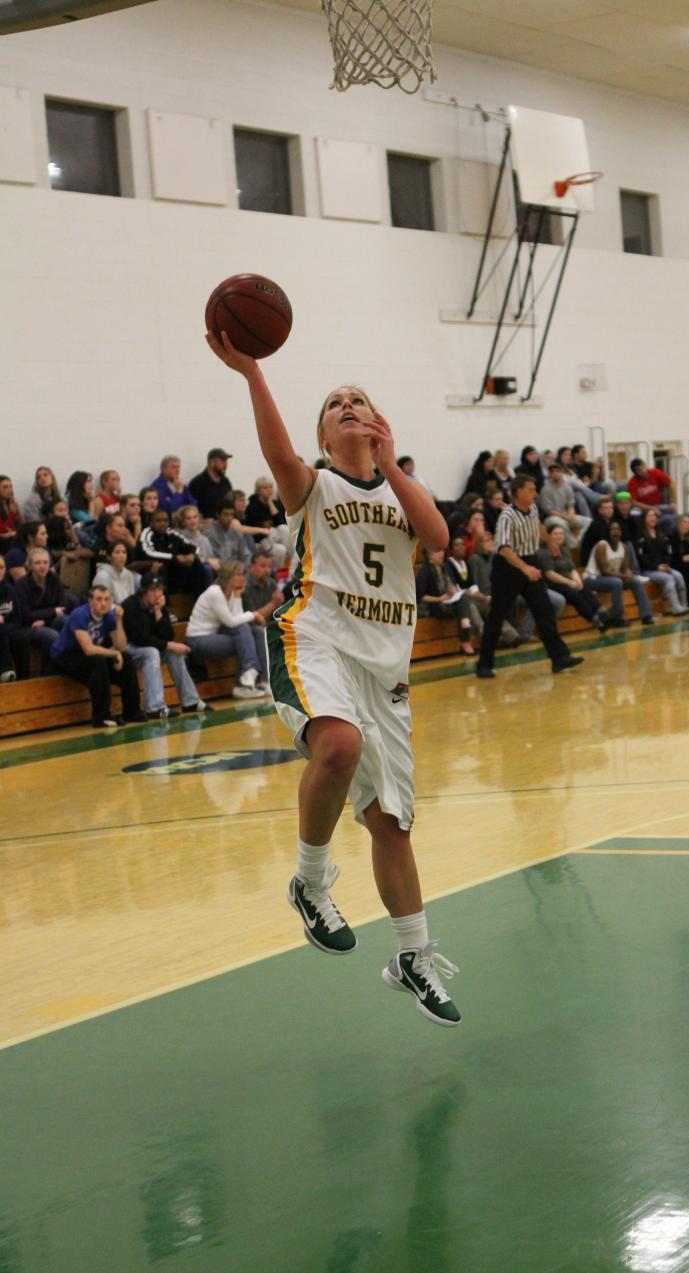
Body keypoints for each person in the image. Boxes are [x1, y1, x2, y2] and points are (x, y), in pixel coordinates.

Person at [207, 325, 462, 1026]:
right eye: (334, 403)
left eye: (358, 400)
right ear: (323, 437)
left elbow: (437, 539)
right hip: (314, 638)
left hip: (386, 671)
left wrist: (391, 458)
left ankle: (413, 953)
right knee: (338, 747)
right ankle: (311, 882)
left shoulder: (401, 494)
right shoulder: (312, 484)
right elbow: (276, 452)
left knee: (391, 822)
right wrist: (253, 373)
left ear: (377, 422)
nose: (347, 406)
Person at [476, 473, 582, 678]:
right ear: (518, 492)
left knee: (544, 610)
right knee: (497, 616)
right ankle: (484, 664)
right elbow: (504, 549)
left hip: (529, 561)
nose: (535, 492)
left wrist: (550, 541)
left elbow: (538, 526)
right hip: (508, 567)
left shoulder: (532, 508)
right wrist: (524, 569)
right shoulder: (507, 516)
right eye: (531, 489)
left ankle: (559, 658)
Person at [49, 585, 144, 728]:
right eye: (99, 599)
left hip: (88, 658)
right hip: (64, 657)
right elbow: (88, 649)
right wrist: (115, 653)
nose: (103, 603)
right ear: (90, 601)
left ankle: (132, 711)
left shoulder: (109, 616)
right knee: (98, 662)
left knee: (127, 660)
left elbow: (121, 646)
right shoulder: (80, 614)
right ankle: (101, 716)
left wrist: (118, 621)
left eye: (107, 599)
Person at [122, 573, 208, 719]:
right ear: (143, 591)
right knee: (152, 652)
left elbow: (169, 636)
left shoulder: (159, 605)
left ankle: (190, 701)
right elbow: (140, 639)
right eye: (153, 590)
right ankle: (154, 707)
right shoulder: (130, 606)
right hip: (126, 648)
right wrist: (169, 645)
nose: (157, 594)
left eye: (160, 590)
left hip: (147, 646)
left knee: (173, 652)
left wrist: (158, 612)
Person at [185, 560, 269, 698]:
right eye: (238, 575)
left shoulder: (231, 593)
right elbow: (231, 622)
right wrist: (253, 614)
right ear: (227, 577)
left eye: (242, 574)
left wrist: (237, 596)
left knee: (257, 632)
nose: (242, 578)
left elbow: (237, 618)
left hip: (217, 635)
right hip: (198, 639)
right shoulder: (215, 592)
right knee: (244, 633)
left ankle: (263, 680)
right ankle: (244, 679)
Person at [14, 546, 77, 668]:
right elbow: (26, 614)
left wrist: (45, 617)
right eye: (37, 563)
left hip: (47, 620)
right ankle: (49, 673)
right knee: (52, 636)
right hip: (29, 626)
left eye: (45, 562)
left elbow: (62, 606)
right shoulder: (21, 585)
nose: (42, 566)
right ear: (30, 566)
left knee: (69, 621)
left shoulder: (54, 579)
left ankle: (72, 666)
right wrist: (52, 611)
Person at [583, 521, 654, 627]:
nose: (616, 532)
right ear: (608, 532)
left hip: (611, 579)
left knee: (635, 581)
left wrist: (628, 573)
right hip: (592, 578)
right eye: (613, 529)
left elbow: (625, 569)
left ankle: (646, 615)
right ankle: (617, 617)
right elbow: (604, 571)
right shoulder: (602, 545)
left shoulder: (623, 546)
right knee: (616, 582)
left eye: (618, 529)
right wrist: (624, 576)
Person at [537, 525, 608, 630]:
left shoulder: (564, 549)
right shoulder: (544, 552)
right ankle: (594, 618)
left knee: (584, 589)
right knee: (574, 595)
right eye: (556, 534)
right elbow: (550, 574)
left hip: (567, 580)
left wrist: (578, 581)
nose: (559, 536)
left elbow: (572, 569)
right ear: (549, 536)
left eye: (561, 533)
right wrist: (569, 582)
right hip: (553, 584)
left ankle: (601, 611)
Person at [416, 546, 477, 654]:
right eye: (438, 552)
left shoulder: (446, 567)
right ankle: (465, 640)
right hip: (430, 606)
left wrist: (453, 590)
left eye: (442, 551)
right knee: (466, 607)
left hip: (446, 603)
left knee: (464, 600)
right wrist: (440, 598)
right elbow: (421, 597)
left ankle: (465, 632)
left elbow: (452, 586)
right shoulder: (425, 571)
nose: (441, 554)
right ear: (430, 556)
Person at [137, 506, 209, 597]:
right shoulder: (146, 534)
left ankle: (199, 599)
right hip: (149, 569)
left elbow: (193, 546)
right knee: (160, 566)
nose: (163, 523)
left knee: (196, 563)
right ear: (151, 522)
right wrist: (175, 557)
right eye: (158, 521)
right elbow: (149, 553)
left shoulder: (171, 532)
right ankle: (165, 607)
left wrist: (192, 555)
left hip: (172, 569)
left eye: (165, 520)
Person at [468, 531, 520, 647]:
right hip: (481, 597)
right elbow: (473, 585)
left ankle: (511, 637)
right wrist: (486, 597)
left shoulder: (495, 557)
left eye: (491, 540)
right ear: (479, 544)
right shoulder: (474, 559)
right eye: (486, 541)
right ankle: (509, 636)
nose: (490, 543)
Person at [634, 508, 689, 615]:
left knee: (679, 576)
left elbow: (668, 552)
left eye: (654, 515)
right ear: (644, 519)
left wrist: (666, 565)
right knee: (669, 578)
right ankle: (675, 607)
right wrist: (657, 567)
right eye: (649, 516)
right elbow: (641, 558)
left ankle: (684, 605)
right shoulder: (640, 537)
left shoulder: (661, 533)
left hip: (664, 567)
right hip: (649, 570)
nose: (653, 518)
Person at [538, 462, 591, 545]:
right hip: (550, 518)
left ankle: (580, 542)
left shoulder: (567, 486)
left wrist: (571, 515)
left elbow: (571, 504)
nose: (555, 474)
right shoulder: (545, 489)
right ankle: (574, 546)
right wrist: (566, 517)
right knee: (561, 523)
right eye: (552, 472)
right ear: (550, 474)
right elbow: (549, 511)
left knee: (589, 521)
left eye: (557, 471)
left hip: (565, 515)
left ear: (562, 472)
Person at [627, 458, 676, 532]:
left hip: (660, 506)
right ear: (635, 472)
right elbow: (633, 502)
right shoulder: (632, 482)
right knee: (634, 513)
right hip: (644, 509)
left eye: (643, 467)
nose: (643, 470)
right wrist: (650, 508)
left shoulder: (655, 472)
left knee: (673, 513)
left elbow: (671, 484)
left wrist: (673, 502)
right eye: (639, 470)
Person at [205, 498, 253, 569]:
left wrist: (242, 568)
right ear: (218, 514)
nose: (229, 518)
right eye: (226, 514)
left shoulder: (236, 533)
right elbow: (209, 558)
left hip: (236, 570)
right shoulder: (209, 533)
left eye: (232, 514)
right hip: (218, 569)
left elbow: (246, 555)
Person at [0, 554, 26, 681]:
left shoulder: (10, 590)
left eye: (1, 567)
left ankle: (24, 678)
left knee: (21, 637)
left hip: (8, 628)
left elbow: (17, 620)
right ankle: (5, 670)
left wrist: (3, 621)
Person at [189, 447, 234, 518]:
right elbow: (191, 508)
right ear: (212, 462)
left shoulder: (225, 482)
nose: (226, 464)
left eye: (226, 461)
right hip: (206, 522)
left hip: (225, 521)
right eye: (222, 460)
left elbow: (230, 503)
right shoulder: (198, 482)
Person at [174, 504, 219, 573]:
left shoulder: (204, 539)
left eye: (195, 517)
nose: (192, 521)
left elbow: (211, 557)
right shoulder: (179, 538)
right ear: (183, 522)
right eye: (189, 518)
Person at [93, 540, 140, 605]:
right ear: (109, 557)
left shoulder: (129, 574)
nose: (122, 556)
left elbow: (131, 599)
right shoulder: (102, 576)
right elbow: (101, 602)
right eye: (117, 552)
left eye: (124, 552)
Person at [242, 550, 285, 620]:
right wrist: (273, 604)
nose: (267, 570)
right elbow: (251, 619)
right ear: (251, 567)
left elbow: (278, 613)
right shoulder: (244, 585)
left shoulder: (271, 583)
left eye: (269, 567)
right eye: (263, 566)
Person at [245, 476, 286, 542]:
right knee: (281, 548)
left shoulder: (276, 504)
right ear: (258, 491)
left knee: (284, 529)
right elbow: (257, 527)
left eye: (271, 487)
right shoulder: (252, 506)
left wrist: (270, 503)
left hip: (274, 535)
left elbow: (280, 523)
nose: (269, 490)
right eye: (265, 488)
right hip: (260, 537)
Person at [65, 471, 98, 546]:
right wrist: (91, 502)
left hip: (88, 531)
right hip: (77, 534)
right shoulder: (69, 500)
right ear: (80, 483)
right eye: (88, 481)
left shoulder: (85, 498)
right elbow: (89, 522)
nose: (92, 485)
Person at [0, 476, 22, 555]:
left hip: (10, 537)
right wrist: (12, 514)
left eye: (11, 486)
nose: (10, 490)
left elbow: (21, 525)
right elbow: (4, 529)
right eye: (5, 487)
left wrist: (16, 514)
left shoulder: (11, 503)